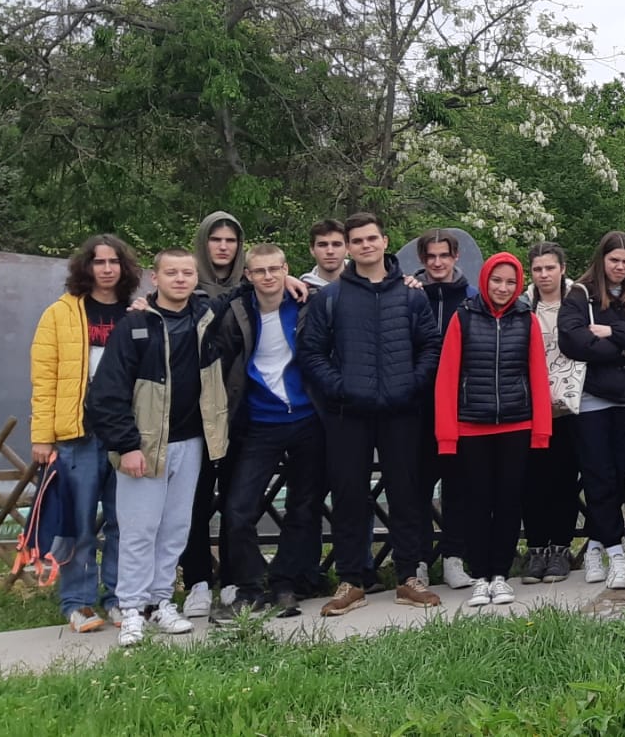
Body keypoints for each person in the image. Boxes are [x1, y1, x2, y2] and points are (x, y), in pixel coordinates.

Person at [296, 212, 444, 616]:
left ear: (384, 241)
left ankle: (409, 576)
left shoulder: (411, 295)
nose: (365, 245)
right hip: (349, 413)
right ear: (349, 247)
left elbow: (431, 346)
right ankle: (351, 580)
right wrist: (341, 388)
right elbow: (311, 352)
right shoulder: (332, 297)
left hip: (402, 411)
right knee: (347, 495)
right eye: (357, 240)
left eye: (371, 238)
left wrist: (412, 384)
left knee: (407, 493)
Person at [84, 249, 229, 647]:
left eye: (187, 273)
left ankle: (159, 602)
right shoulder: (134, 325)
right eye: (171, 272)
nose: (180, 279)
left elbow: (251, 287)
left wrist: (291, 279)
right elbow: (106, 394)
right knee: (139, 529)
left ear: (195, 279)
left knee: (175, 528)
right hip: (145, 445)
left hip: (191, 443)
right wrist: (127, 445)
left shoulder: (205, 319)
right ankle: (131, 607)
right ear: (155, 278)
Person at [30, 234, 139, 633]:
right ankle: (78, 601)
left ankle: (119, 598)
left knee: (123, 521)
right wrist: (42, 435)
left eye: (114, 262)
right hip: (77, 434)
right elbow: (44, 378)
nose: (107, 269)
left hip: (125, 433)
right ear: (86, 267)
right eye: (98, 262)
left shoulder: (135, 312)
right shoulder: (59, 314)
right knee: (77, 523)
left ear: (124, 268)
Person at [212, 244, 324, 622]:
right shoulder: (237, 311)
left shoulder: (308, 303)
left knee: (303, 507)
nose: (268, 277)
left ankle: (284, 582)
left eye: (275, 269)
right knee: (238, 509)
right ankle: (250, 585)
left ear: (286, 269)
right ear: (248, 275)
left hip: (308, 419)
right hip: (259, 422)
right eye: (259, 271)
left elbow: (348, 293)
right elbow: (201, 313)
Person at [435, 253, 554, 608]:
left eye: (510, 282)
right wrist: (446, 435)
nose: (502, 288)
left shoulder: (527, 319)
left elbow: (538, 375)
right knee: (476, 503)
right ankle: (480, 576)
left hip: (517, 424)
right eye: (496, 280)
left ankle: (500, 575)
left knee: (508, 502)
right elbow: (447, 377)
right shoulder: (463, 317)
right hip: (471, 425)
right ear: (485, 280)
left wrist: (541, 430)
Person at [557, 231, 625, 589]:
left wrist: (611, 331)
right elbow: (573, 340)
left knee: (619, 473)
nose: (620, 267)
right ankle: (615, 551)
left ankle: (594, 544)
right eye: (614, 260)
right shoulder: (581, 294)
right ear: (601, 259)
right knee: (597, 473)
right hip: (592, 400)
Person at [180, 211, 245, 619]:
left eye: (230, 240)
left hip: (240, 411)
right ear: (203, 243)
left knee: (237, 500)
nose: (223, 247)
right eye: (215, 239)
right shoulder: (185, 289)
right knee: (195, 501)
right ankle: (198, 582)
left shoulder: (251, 288)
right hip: (195, 413)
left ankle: (234, 580)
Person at [413, 228, 477, 587]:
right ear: (422, 259)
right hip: (418, 406)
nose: (437, 263)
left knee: (459, 486)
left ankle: (454, 558)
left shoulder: (471, 298)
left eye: (444, 256)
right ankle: (419, 560)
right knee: (416, 487)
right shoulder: (409, 294)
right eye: (431, 257)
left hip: (459, 406)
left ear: (455, 257)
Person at [519, 241, 582, 585]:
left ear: (562, 269)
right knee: (532, 480)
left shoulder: (580, 302)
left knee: (564, 479)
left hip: (569, 405)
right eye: (538, 269)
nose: (544, 275)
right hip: (530, 405)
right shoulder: (522, 305)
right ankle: (536, 548)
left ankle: (560, 548)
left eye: (550, 268)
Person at [301, 219, 349, 289]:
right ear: (312, 250)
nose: (330, 251)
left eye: (336, 245)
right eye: (322, 245)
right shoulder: (300, 291)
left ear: (347, 249)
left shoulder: (363, 283)